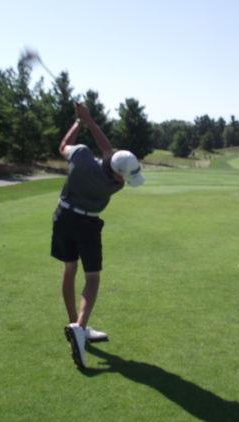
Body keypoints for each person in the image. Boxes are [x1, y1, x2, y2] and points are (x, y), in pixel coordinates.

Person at [53, 102, 145, 369]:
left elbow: (64, 146)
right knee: (92, 278)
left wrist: (81, 121)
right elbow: (107, 150)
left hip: (63, 217)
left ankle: (74, 324)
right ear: (118, 174)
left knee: (70, 269)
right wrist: (89, 120)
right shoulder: (114, 185)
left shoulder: (81, 156)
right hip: (88, 224)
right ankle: (80, 329)